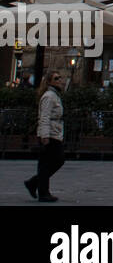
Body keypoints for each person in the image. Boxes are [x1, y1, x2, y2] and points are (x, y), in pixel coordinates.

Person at [25, 71, 65, 202]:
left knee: (47, 163)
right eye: (56, 78)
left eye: (60, 77)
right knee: (54, 161)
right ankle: (40, 189)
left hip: (54, 132)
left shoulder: (55, 95)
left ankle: (36, 185)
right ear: (49, 82)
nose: (60, 80)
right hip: (50, 133)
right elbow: (44, 117)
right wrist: (45, 135)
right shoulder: (49, 96)